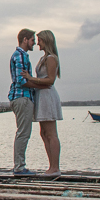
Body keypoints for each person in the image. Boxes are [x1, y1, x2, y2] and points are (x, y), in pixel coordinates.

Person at [22, 30, 62, 178]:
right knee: (43, 132)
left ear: (46, 40)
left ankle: (55, 167)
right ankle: (51, 165)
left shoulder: (51, 58)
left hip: (47, 96)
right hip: (41, 96)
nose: (37, 43)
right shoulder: (43, 58)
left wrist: (31, 79)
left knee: (51, 133)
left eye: (39, 40)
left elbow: (50, 80)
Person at [8, 29, 36, 175]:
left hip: (19, 97)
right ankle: (19, 167)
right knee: (23, 133)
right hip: (22, 97)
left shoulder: (20, 55)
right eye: (32, 40)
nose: (34, 43)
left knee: (22, 132)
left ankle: (19, 165)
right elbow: (21, 81)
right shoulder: (20, 56)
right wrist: (39, 83)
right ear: (25, 40)